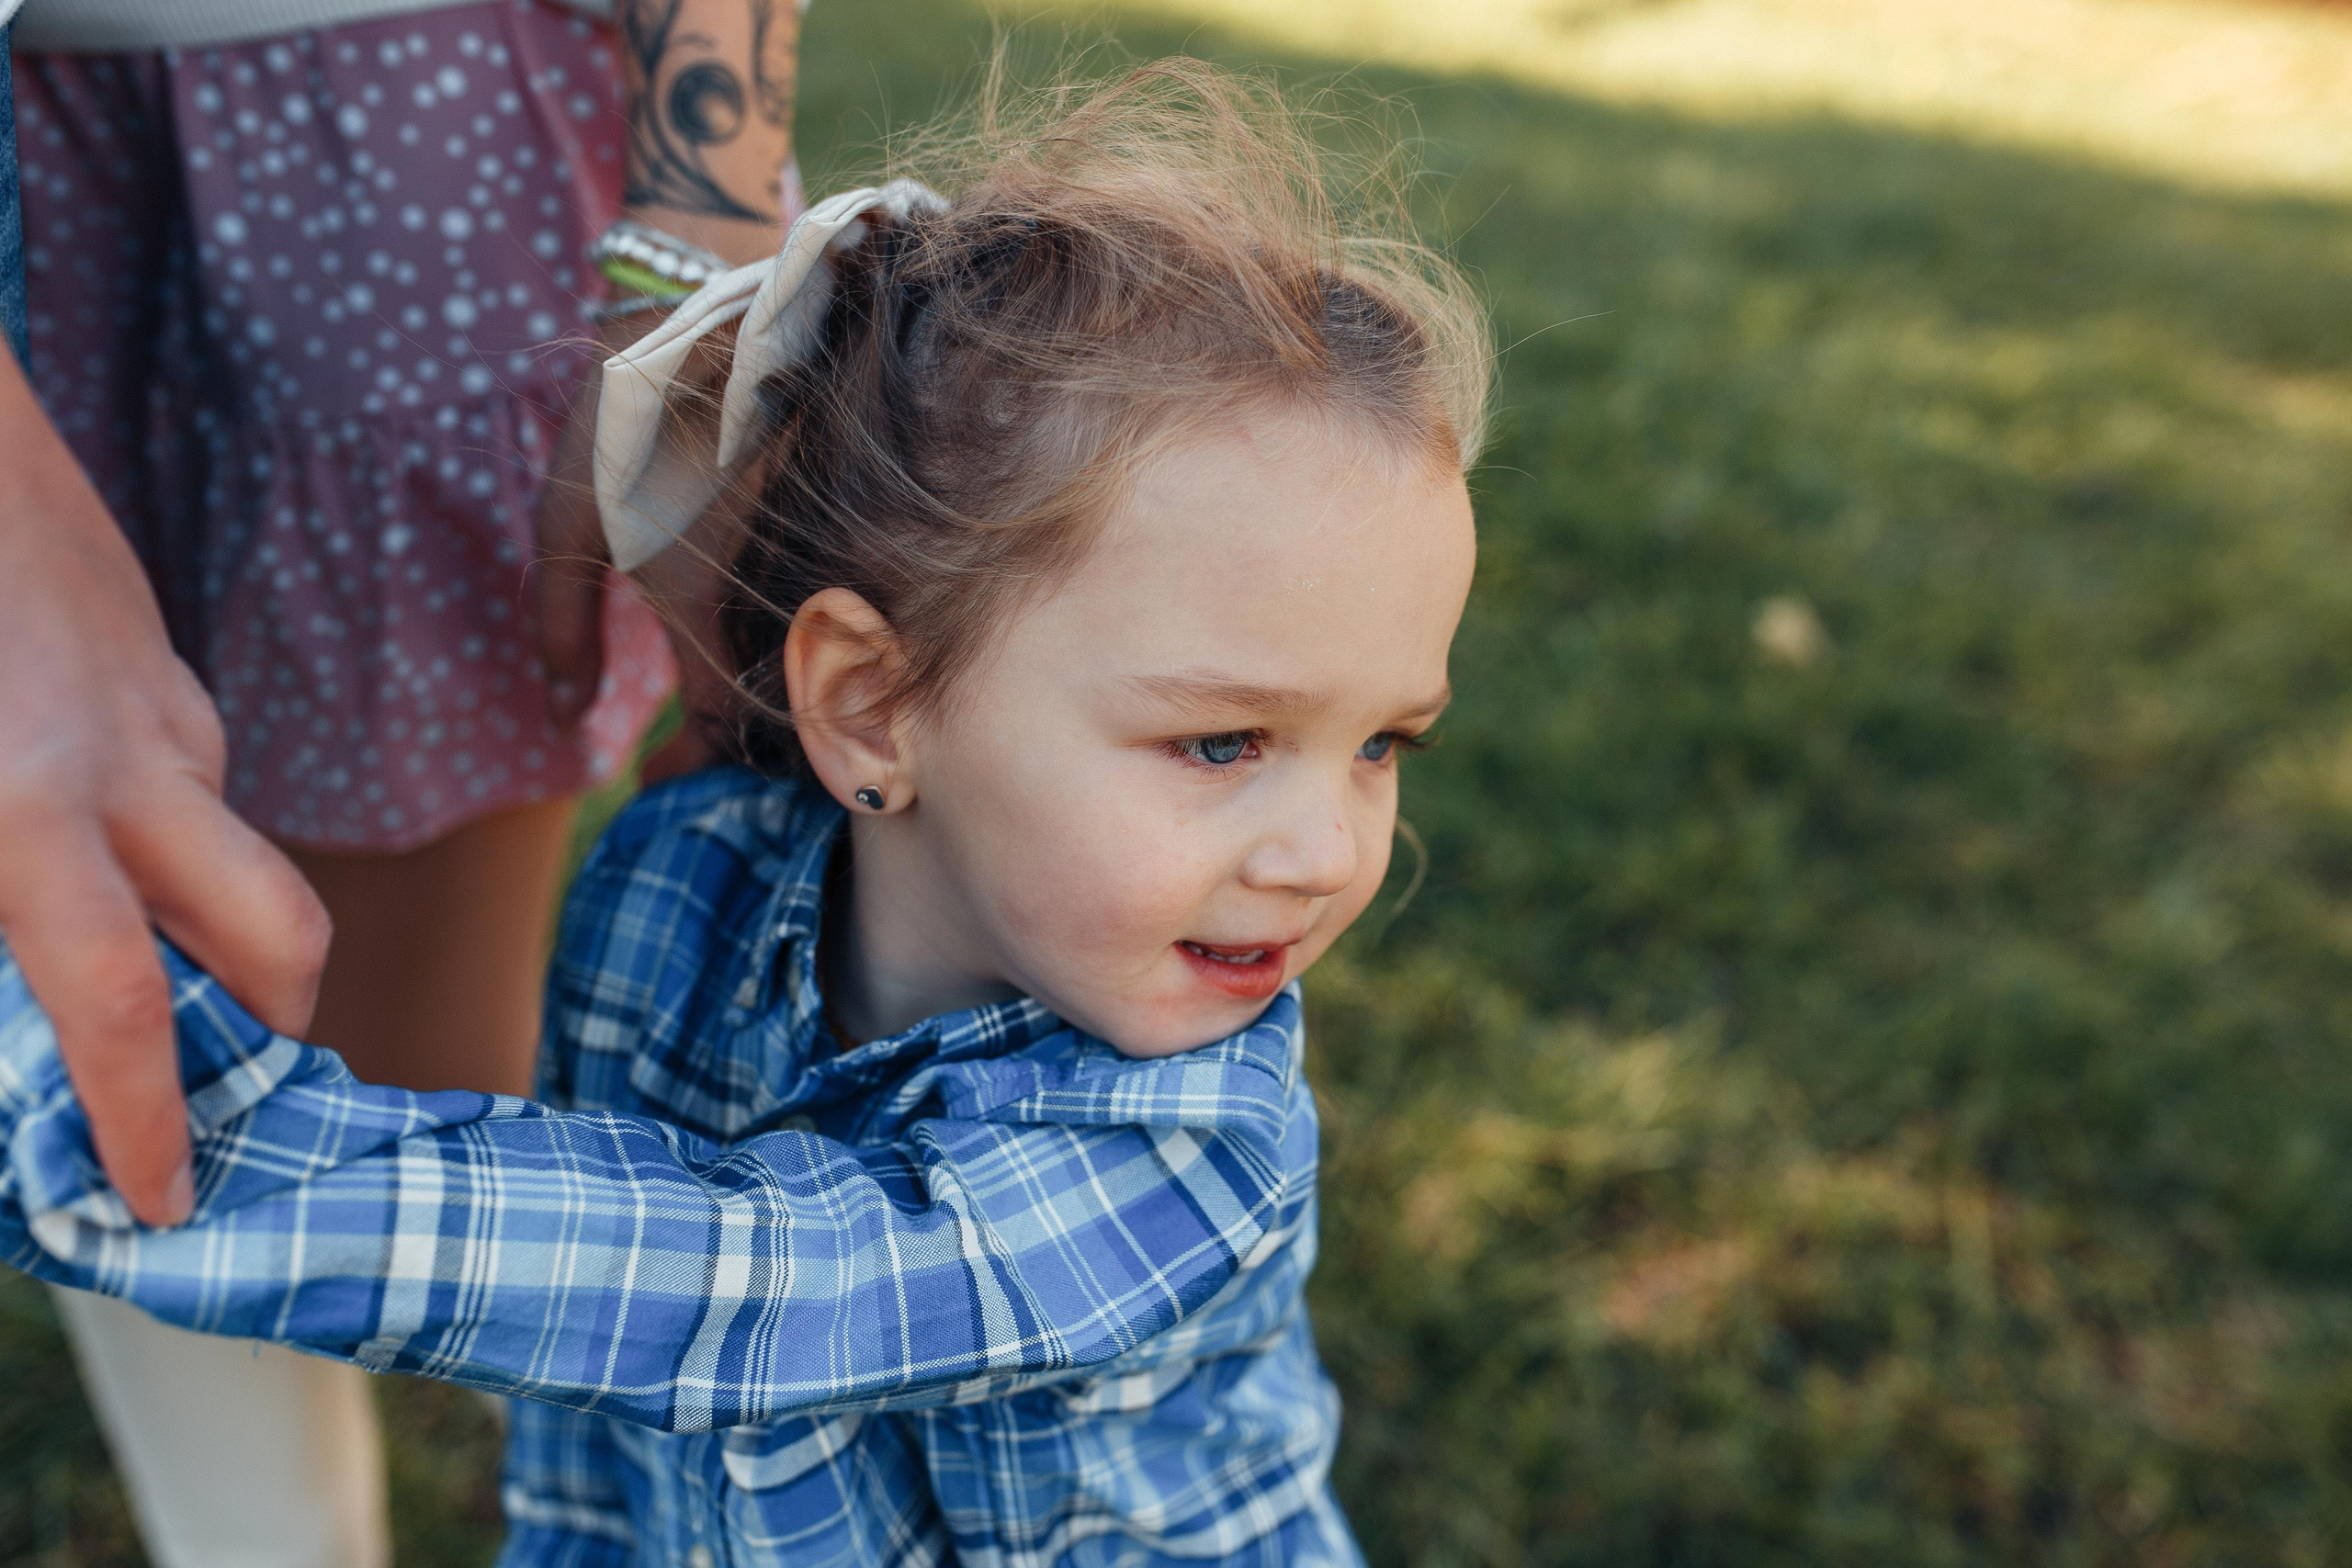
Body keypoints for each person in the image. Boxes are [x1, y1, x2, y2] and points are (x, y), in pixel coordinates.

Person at [0, 59, 1489, 1563]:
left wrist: (194, 1165)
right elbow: (604, 1455)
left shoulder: (1192, 1141)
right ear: (868, 705)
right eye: (1227, 742)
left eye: (1383, 745)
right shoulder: (675, 885)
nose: (1326, 855)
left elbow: (747, 1292)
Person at [0, 1, 801, 1562]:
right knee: (85, 1008)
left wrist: (706, 198)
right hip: (43, 127)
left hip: (381, 136)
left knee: (417, 1072)